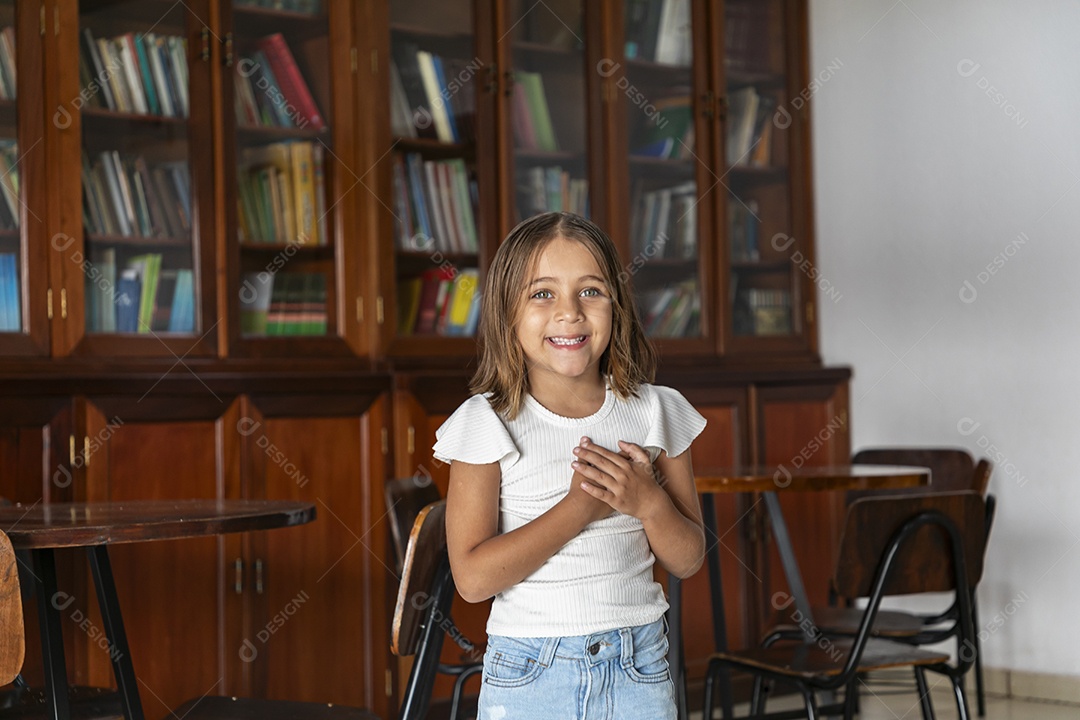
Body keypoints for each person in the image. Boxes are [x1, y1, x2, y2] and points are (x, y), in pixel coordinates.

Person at [433, 211, 706, 719]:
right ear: (507, 311)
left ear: (617, 306)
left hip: (639, 665)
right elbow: (471, 580)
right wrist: (582, 507)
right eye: (542, 294)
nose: (569, 314)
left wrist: (648, 501)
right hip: (531, 673)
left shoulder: (654, 410)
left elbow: (689, 558)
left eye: (590, 291)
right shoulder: (486, 422)